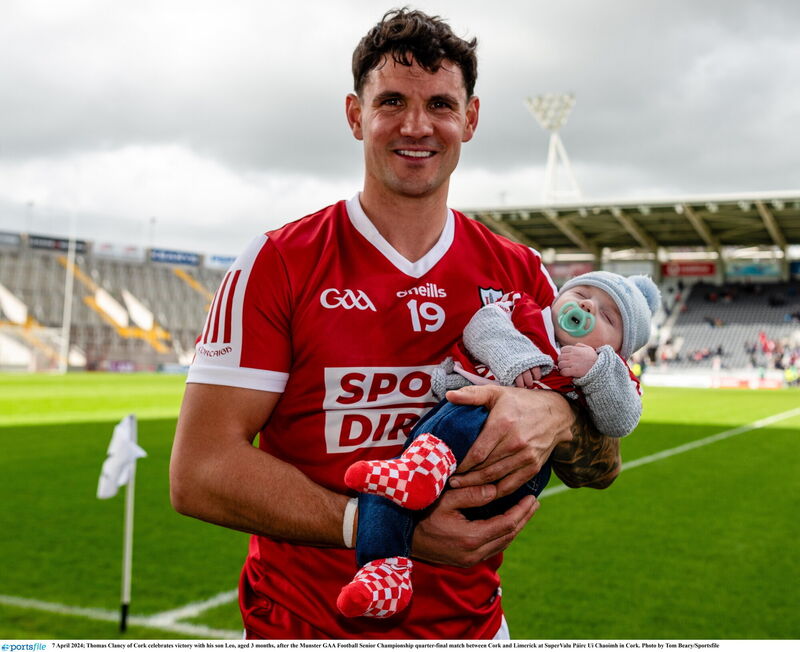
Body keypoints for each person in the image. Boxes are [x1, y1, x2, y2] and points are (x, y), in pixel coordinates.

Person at [169, 8, 620, 640]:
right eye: (391, 102)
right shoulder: (279, 262)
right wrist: (377, 525)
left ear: (471, 117)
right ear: (356, 116)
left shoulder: (521, 273)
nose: (416, 126)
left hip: (475, 628)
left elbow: (602, 464)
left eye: (440, 103)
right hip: (304, 626)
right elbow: (199, 472)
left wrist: (561, 419)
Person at [337, 272, 659, 618]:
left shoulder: (611, 369)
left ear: (620, 348)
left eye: (608, 316)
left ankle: (419, 476)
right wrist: (515, 358)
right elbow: (484, 324)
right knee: (385, 487)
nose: (587, 305)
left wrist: (597, 371)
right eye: (581, 293)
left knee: (469, 417)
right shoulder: (527, 312)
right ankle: (384, 573)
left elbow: (621, 421)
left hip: (510, 475)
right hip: (444, 434)